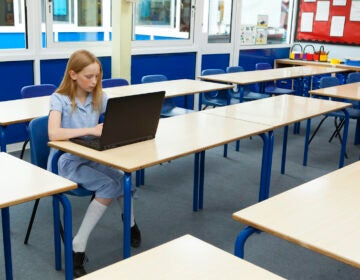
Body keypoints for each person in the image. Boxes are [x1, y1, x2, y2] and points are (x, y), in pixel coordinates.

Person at [47, 49, 141, 278]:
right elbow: (53, 133)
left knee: (124, 176)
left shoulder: (99, 96)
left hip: (92, 156)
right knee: (110, 186)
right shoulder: (59, 98)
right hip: (67, 161)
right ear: (73, 74)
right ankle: (78, 245)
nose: (94, 81)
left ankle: (129, 223)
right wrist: (90, 129)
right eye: (89, 76)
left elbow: (121, 116)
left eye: (97, 76)